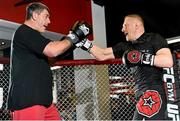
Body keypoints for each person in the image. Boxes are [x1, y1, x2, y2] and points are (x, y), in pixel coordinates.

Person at [7, 2, 91, 120]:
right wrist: (75, 36)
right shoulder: (24, 32)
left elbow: (52, 58)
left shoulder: (35, 37)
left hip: (45, 102)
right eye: (46, 16)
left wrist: (73, 42)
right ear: (35, 15)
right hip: (28, 101)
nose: (49, 21)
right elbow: (53, 51)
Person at [80, 14, 173, 120]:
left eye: (125, 25)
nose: (122, 29)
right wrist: (82, 42)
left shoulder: (154, 39)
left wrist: (141, 58)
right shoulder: (126, 47)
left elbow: (167, 61)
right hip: (141, 94)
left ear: (136, 25)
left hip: (155, 94)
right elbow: (102, 54)